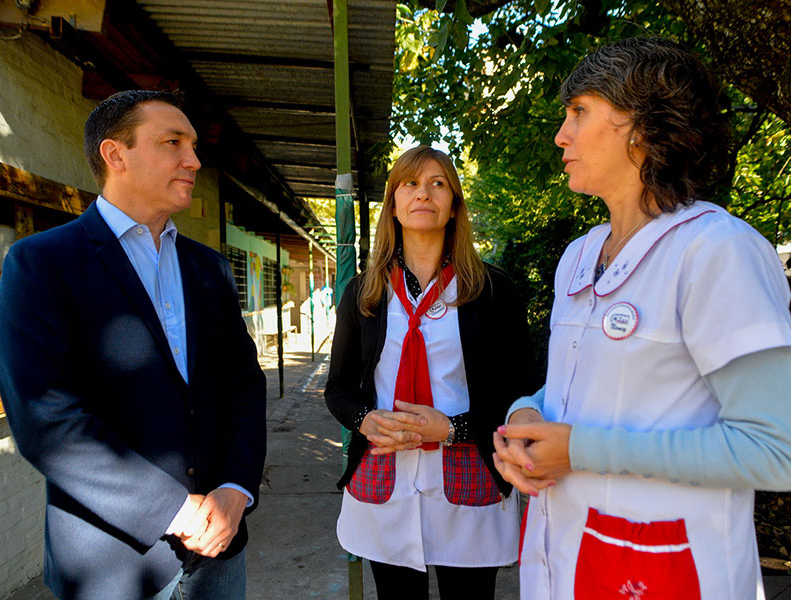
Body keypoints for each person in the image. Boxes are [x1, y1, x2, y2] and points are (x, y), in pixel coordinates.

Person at [492, 37, 791, 600]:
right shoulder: (579, 256)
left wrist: (580, 451)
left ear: (644, 128)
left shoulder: (716, 250)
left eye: (579, 111)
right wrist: (525, 412)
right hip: (564, 559)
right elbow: (581, 389)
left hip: (669, 572)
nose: (561, 135)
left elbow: (777, 450)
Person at [0, 90, 267, 600]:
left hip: (222, 546)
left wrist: (236, 488)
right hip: (114, 565)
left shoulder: (210, 268)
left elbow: (244, 387)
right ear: (115, 154)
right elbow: (46, 420)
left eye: (193, 145)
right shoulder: (42, 263)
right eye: (173, 142)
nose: (194, 160)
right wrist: (172, 510)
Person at [325, 145, 540, 599]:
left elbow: (522, 392)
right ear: (393, 205)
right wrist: (365, 420)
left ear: (454, 205)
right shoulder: (363, 293)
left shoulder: (494, 290)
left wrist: (453, 428)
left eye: (437, 184)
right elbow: (339, 388)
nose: (423, 193)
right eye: (410, 184)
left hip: (469, 476)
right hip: (386, 477)